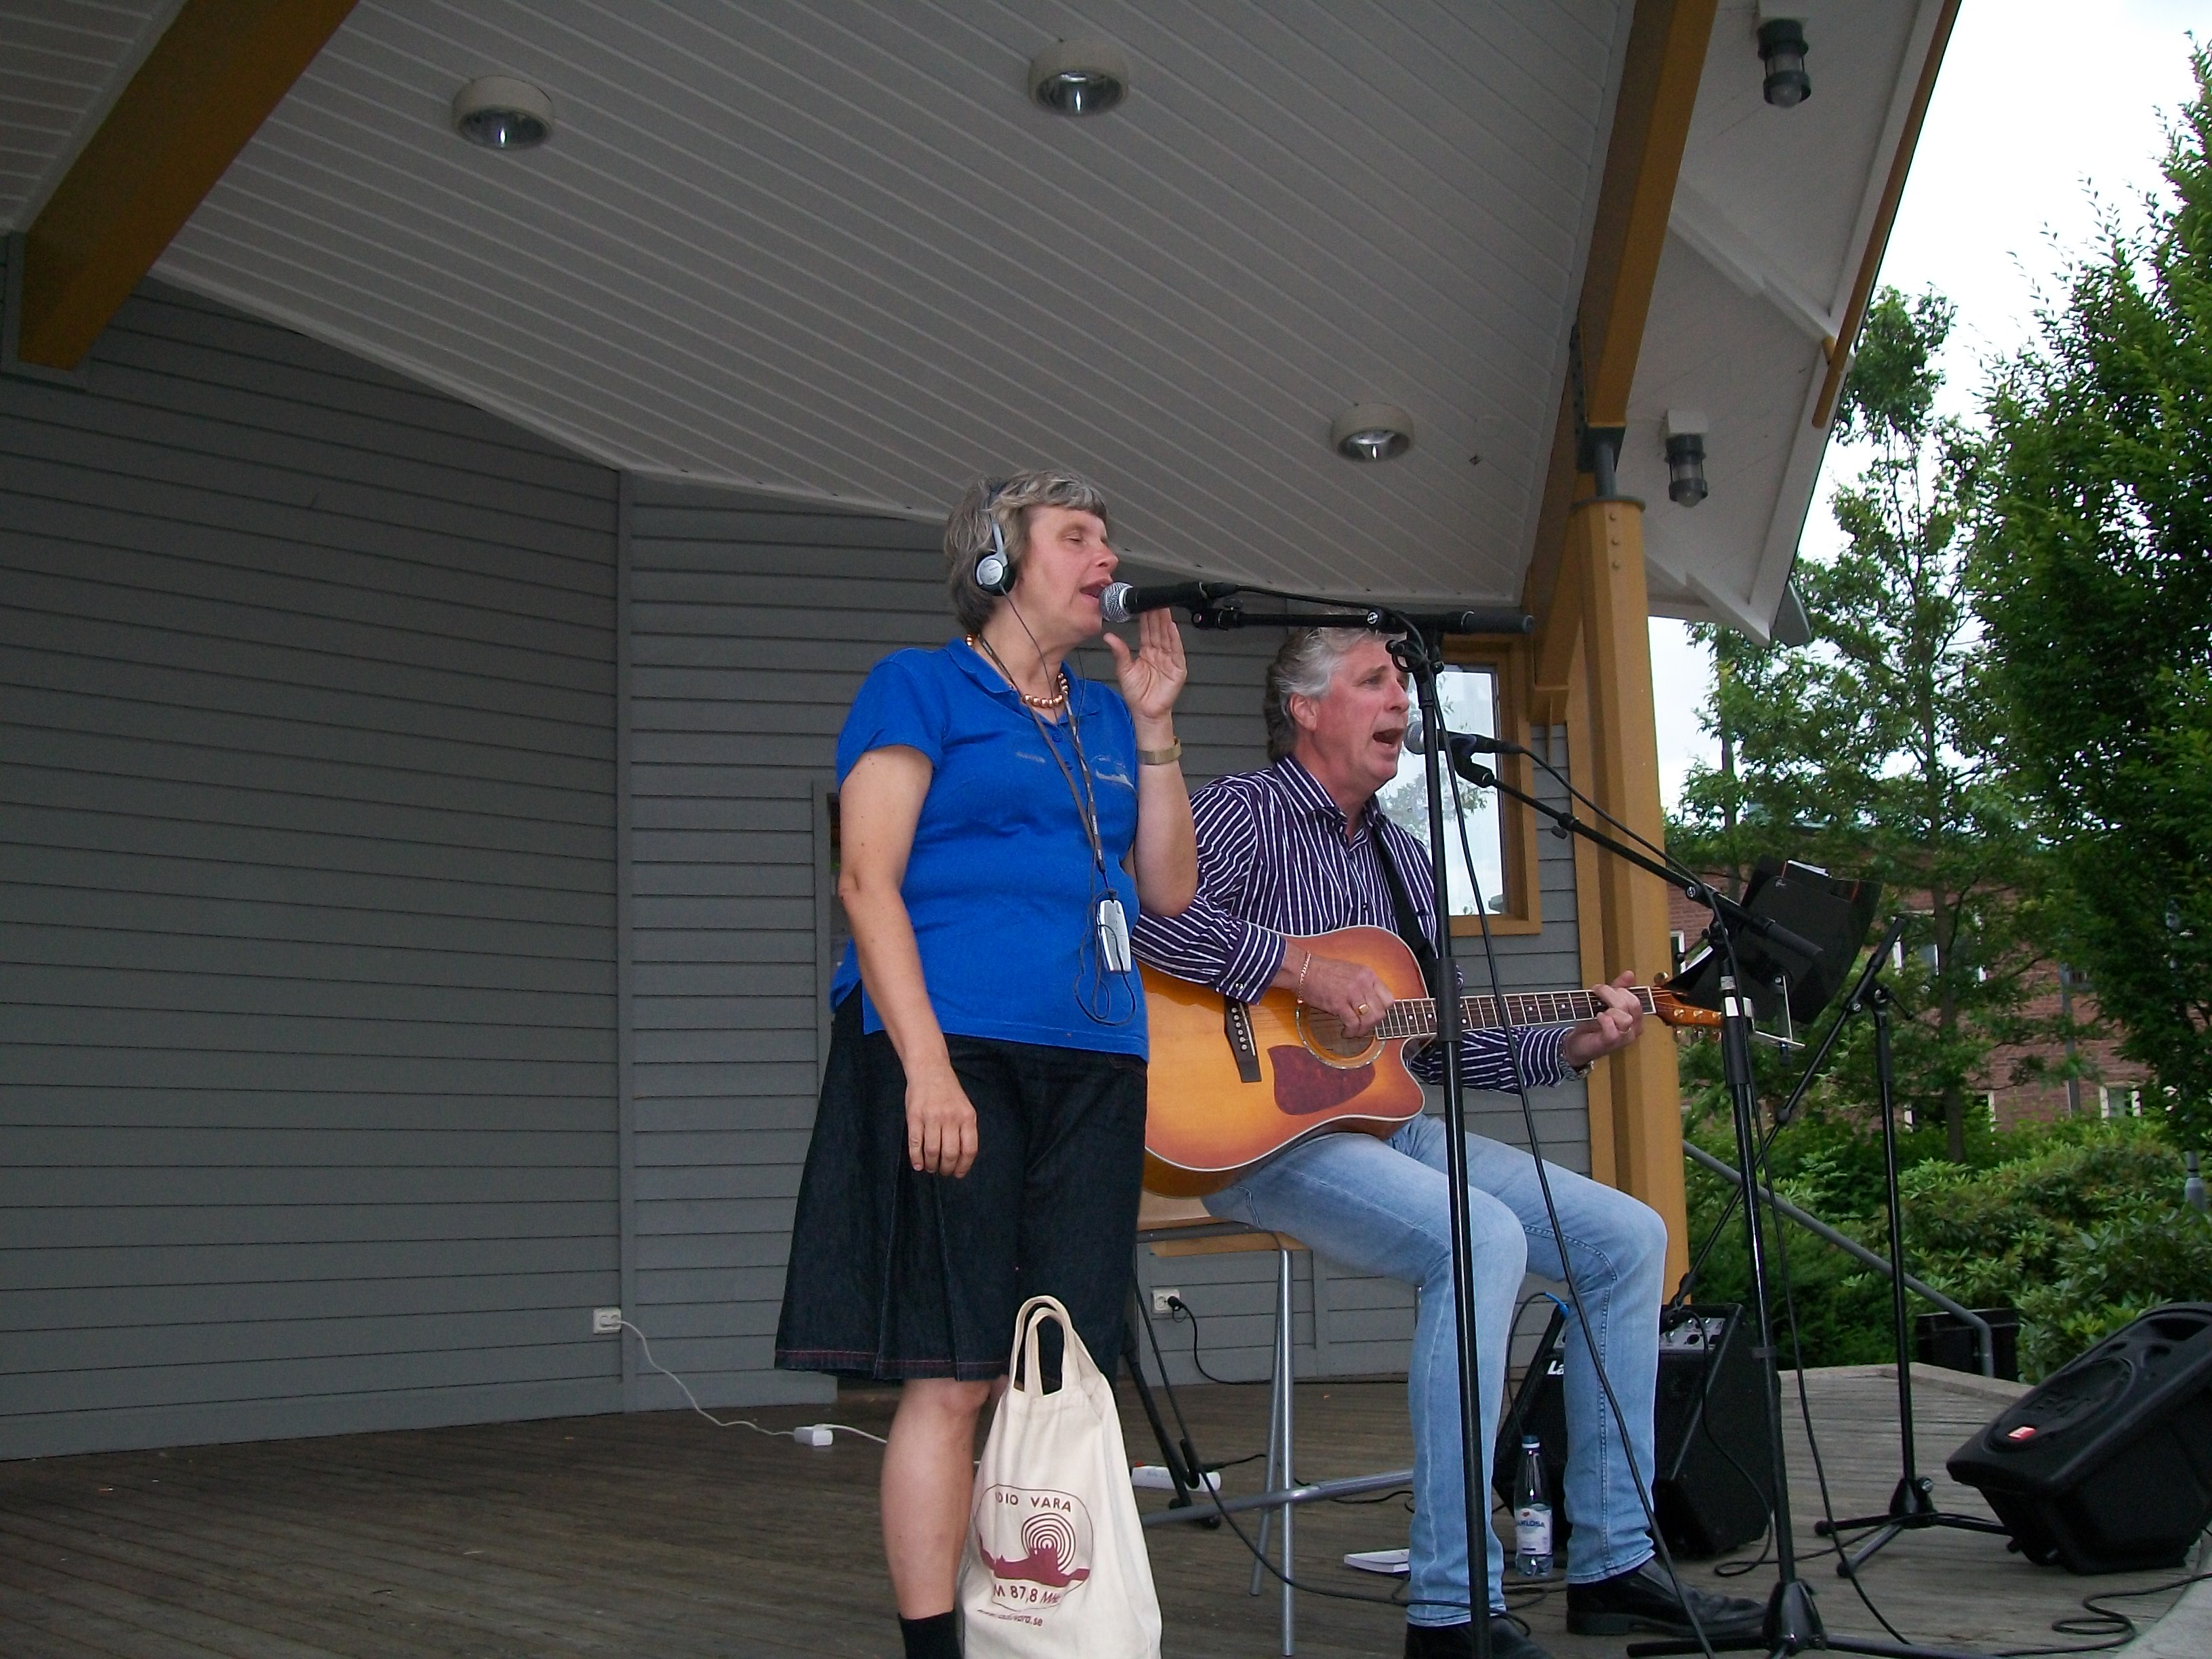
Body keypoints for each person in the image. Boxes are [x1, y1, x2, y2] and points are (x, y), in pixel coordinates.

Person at [1132, 628, 1765, 1659]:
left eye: (1402, 684)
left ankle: (1613, 1562)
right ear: (1305, 710)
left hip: (1387, 1126)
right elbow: (1148, 921)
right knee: (1481, 1238)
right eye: (1374, 681)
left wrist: (1575, 1039)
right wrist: (1303, 971)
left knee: (1627, 1240)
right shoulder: (1243, 811)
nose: (1402, 701)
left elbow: (1439, 1044)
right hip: (1256, 1139)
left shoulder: (1405, 858)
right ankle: (1451, 1604)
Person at [774, 470, 1195, 1659]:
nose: (1107, 559)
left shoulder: (1106, 715)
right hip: (952, 1050)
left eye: (1109, 538)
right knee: (955, 1372)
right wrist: (925, 1069)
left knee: (1054, 1368)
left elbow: (1169, 892)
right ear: (998, 565)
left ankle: (1032, 1626)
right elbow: (866, 879)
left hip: (1096, 1060)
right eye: (1077, 537)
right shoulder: (919, 686)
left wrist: (1157, 729)